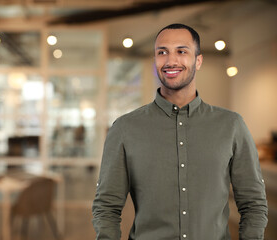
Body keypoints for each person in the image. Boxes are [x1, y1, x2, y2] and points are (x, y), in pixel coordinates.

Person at [92, 23, 268, 240]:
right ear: (155, 60)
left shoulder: (232, 125)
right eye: (162, 52)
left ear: (198, 60)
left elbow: (253, 204)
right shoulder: (125, 128)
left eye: (182, 51)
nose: (170, 61)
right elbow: (106, 207)